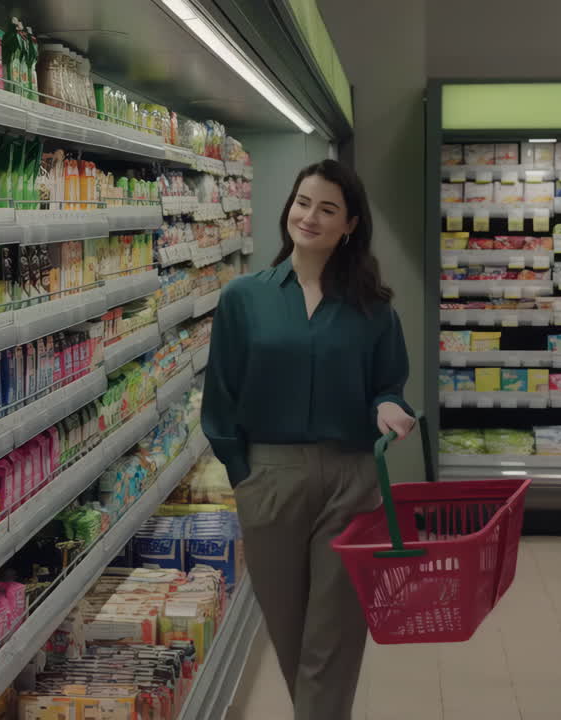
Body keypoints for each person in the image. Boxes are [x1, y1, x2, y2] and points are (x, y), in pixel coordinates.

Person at [200, 159, 415, 719]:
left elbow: (388, 382)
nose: (309, 217)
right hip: (269, 479)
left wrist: (388, 404)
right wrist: (243, 476)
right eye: (302, 202)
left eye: (327, 209)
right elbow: (220, 397)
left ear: (350, 225)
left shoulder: (373, 309)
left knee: (334, 637)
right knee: (292, 633)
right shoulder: (244, 298)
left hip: (351, 480)